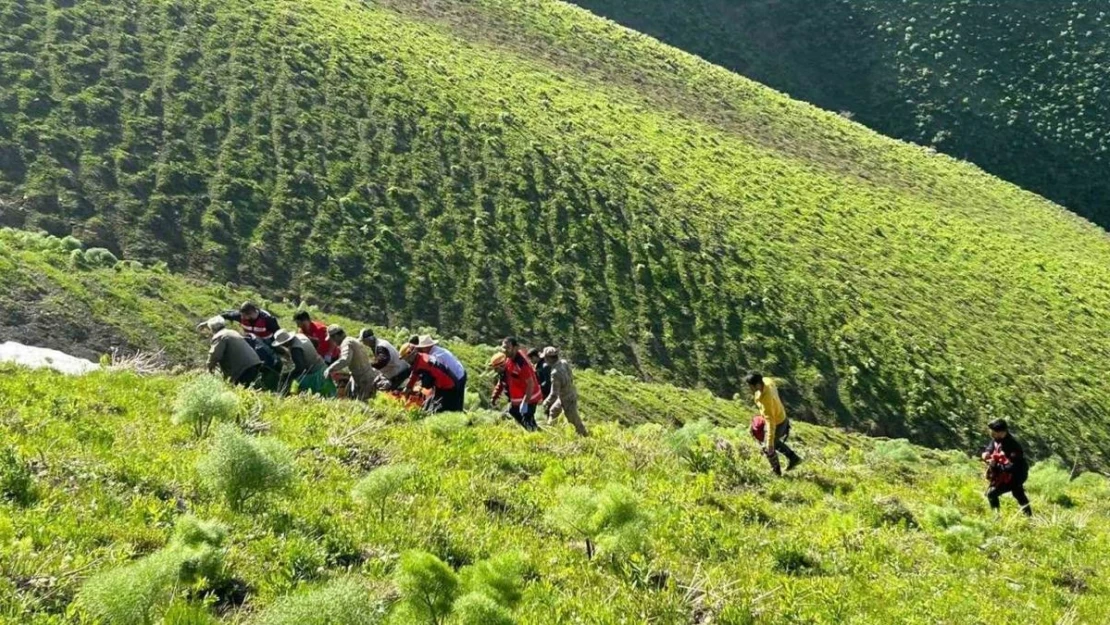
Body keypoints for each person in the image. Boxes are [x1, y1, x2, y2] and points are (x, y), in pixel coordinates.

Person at [745, 371, 802, 476]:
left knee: (768, 447)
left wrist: (769, 443)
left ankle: (776, 472)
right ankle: (793, 458)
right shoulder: (767, 381)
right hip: (781, 416)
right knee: (773, 442)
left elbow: (770, 422)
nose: (749, 388)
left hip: (777, 422)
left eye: (750, 386)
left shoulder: (766, 399)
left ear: (757, 385)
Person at [981, 419, 1032, 517]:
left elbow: (1012, 466)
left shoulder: (1013, 446)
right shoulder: (997, 439)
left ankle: (996, 517)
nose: (991, 433)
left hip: (1016, 476)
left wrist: (995, 464)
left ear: (1002, 432)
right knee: (1018, 494)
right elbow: (991, 446)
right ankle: (1029, 516)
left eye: (993, 432)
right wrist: (986, 453)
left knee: (992, 494)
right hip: (1006, 474)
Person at [490, 347, 542, 432]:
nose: (495, 371)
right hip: (520, 400)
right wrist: (494, 397)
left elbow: (528, 384)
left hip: (529, 398)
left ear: (502, 365)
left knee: (527, 417)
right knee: (514, 411)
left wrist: (525, 401)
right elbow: (501, 384)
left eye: (496, 368)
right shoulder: (504, 374)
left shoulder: (513, 371)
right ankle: (533, 431)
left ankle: (534, 433)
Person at [412, 335, 468, 412]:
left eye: (421, 348)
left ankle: (458, 414)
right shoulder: (437, 350)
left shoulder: (435, 356)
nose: (420, 350)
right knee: (457, 400)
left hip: (458, 376)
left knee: (455, 401)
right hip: (460, 371)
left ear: (426, 347)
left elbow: (439, 374)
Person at [202, 316, 262, 387]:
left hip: (243, 368)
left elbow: (215, 355)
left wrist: (209, 367)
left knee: (242, 391)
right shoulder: (232, 332)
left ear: (212, 328)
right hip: (254, 363)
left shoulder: (219, 336)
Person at [399, 343, 460, 411]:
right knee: (431, 406)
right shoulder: (420, 357)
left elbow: (427, 384)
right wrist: (408, 387)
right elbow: (415, 373)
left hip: (448, 386)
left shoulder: (424, 364)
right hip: (444, 383)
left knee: (440, 410)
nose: (407, 361)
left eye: (407, 359)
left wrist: (412, 389)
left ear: (411, 355)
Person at [541, 347, 588, 437]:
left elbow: (554, 394)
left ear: (549, 358)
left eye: (545, 358)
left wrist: (544, 403)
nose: (544, 360)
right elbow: (571, 377)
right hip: (570, 392)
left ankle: (584, 435)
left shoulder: (555, 373)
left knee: (573, 419)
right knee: (553, 411)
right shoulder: (564, 362)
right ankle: (550, 431)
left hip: (566, 398)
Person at [272, 329, 333, 396]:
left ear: (286, 342)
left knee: (288, 378)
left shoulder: (295, 349)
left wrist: (288, 376)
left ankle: (284, 394)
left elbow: (300, 368)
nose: (283, 346)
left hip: (315, 372)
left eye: (282, 344)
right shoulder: (300, 336)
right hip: (322, 365)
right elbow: (315, 343)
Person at [323, 325, 377, 401]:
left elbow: (345, 360)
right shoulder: (352, 340)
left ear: (336, 336)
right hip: (366, 376)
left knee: (364, 404)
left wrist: (330, 369)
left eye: (332, 339)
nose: (333, 342)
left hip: (364, 379)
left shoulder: (346, 343)